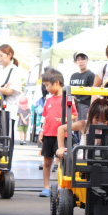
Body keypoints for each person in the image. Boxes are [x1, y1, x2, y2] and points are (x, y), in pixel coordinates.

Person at [38, 68, 77, 197]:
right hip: (48, 134)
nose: (46, 88)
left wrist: (64, 119)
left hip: (62, 135)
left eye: (48, 85)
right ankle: (46, 187)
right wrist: (42, 131)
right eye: (45, 85)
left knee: (63, 162)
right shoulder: (48, 100)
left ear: (57, 83)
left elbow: (74, 116)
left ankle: (62, 187)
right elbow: (44, 117)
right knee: (47, 162)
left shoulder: (67, 98)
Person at [0, 44, 23, 149]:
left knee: (5, 138)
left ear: (9, 55)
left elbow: (10, 91)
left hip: (7, 108)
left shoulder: (14, 70)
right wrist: (0, 88)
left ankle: (6, 162)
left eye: (1, 55)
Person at [69, 51, 95, 120]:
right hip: (73, 105)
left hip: (85, 106)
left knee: (83, 128)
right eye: (78, 59)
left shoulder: (91, 75)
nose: (81, 62)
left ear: (87, 60)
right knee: (72, 128)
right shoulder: (73, 76)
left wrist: (91, 109)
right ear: (75, 62)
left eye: (83, 59)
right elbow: (70, 91)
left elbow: (94, 93)